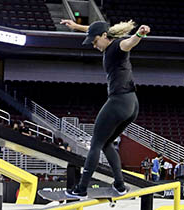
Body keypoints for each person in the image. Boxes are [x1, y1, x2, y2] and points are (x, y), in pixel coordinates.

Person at [61, 19, 150, 198]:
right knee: (106, 143)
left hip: (119, 102)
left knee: (95, 143)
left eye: (95, 42)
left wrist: (139, 34)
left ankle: (81, 189)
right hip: (131, 104)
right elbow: (95, 29)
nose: (94, 46)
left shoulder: (117, 46)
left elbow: (129, 43)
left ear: (104, 37)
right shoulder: (106, 37)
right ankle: (119, 185)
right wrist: (77, 27)